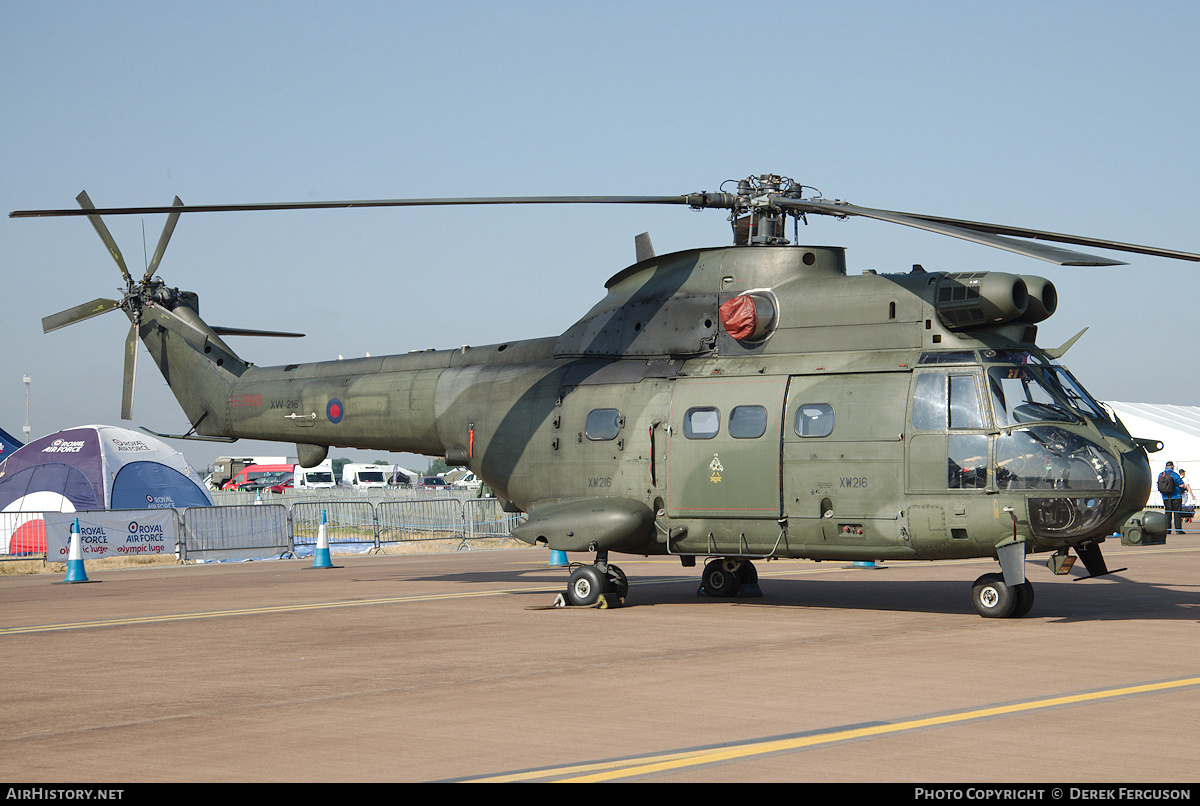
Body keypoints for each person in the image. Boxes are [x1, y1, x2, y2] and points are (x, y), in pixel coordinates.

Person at [1158, 461, 1186, 534]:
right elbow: (1181, 485)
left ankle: (1167, 529)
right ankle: (1178, 529)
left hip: (1165, 497)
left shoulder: (1161, 474)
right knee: (1177, 513)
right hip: (1176, 496)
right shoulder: (1174, 475)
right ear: (1172, 467)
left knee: (1168, 512)